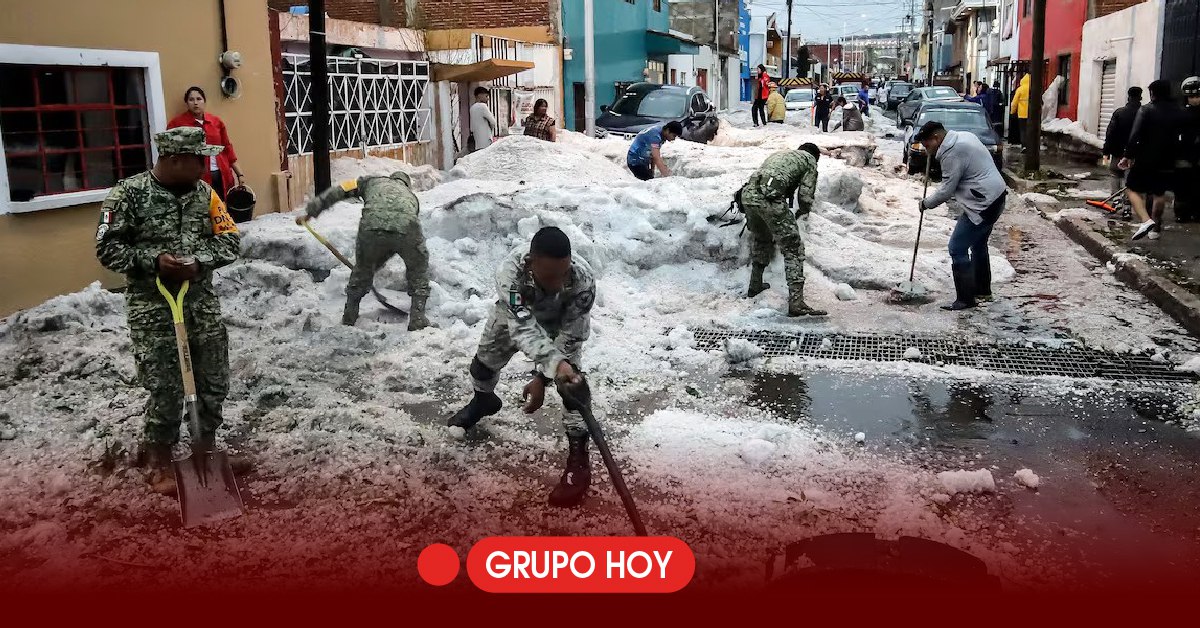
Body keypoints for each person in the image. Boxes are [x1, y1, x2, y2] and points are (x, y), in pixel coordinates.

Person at [95, 127, 241, 495]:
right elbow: (107, 249)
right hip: (152, 306)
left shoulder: (205, 195)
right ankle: (158, 455)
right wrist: (152, 260)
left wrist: (201, 262)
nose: (205, 167)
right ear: (175, 160)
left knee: (212, 378)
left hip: (199, 302)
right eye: (199, 160)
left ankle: (206, 449)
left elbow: (230, 240)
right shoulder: (127, 195)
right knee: (165, 384)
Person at [447, 227, 596, 507]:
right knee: (482, 367)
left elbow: (573, 332)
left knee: (572, 388)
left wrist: (547, 375)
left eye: (564, 274)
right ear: (530, 264)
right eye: (551, 277)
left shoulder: (582, 280)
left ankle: (579, 461)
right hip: (516, 317)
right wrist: (549, 368)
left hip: (559, 323)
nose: (560, 283)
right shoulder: (510, 276)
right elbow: (524, 329)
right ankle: (483, 401)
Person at [296, 171, 430, 330]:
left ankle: (350, 315)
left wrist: (312, 211)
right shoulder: (411, 197)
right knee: (418, 269)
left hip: (371, 227)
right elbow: (399, 236)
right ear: (406, 184)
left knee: (362, 269)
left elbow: (340, 190)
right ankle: (418, 317)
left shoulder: (370, 181)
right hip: (407, 228)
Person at [915, 121, 1008, 310]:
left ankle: (965, 299)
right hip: (996, 196)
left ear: (937, 138)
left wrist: (926, 204)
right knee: (978, 243)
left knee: (957, 248)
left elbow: (947, 190)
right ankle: (982, 290)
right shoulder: (963, 136)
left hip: (983, 203)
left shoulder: (952, 152)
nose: (927, 150)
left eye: (927, 145)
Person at [739, 142, 826, 317]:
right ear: (815, 156)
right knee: (793, 247)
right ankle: (796, 303)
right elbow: (805, 194)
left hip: (747, 196)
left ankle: (755, 286)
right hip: (769, 199)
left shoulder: (782, 154)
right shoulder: (809, 160)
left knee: (762, 239)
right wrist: (804, 210)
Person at [1121, 79, 1183, 240]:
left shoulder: (1146, 110)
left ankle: (1146, 220)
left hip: (1146, 158)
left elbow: (1135, 135)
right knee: (1159, 193)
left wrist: (1128, 155)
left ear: (1152, 93)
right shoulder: (1178, 111)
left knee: (1131, 188)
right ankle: (1156, 227)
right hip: (1168, 158)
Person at [167, 86, 244, 201]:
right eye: (191, 100)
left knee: (221, 207)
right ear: (186, 103)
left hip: (220, 174)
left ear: (204, 101)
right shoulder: (177, 124)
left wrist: (240, 174)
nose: (195, 103)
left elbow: (227, 148)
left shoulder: (216, 122)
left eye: (199, 99)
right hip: (195, 177)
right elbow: (171, 151)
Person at [1102, 86, 1143, 200]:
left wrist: (1106, 151)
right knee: (1129, 179)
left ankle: (1115, 200)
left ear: (1128, 97)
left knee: (1115, 174)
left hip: (1118, 151)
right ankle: (1127, 205)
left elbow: (1110, 133)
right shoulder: (1145, 112)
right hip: (1137, 152)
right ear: (1140, 97)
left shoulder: (1119, 113)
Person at [1176, 77, 1200, 223]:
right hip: (1183, 156)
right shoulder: (1181, 113)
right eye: (1191, 97)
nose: (1195, 100)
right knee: (1182, 187)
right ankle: (1182, 213)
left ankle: (1196, 213)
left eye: (1197, 96)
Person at [470, 86, 497, 152]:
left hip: (477, 140)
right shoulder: (482, 106)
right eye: (486, 96)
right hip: (485, 139)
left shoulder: (472, 108)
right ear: (479, 95)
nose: (487, 99)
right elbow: (493, 122)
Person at [1010, 74, 1031, 147]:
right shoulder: (1033, 88)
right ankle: (1030, 145)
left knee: (1023, 130)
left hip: (1022, 113)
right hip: (1031, 114)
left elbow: (1014, 103)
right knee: (1030, 130)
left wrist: (1012, 112)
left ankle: (1024, 145)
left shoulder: (1020, 89)